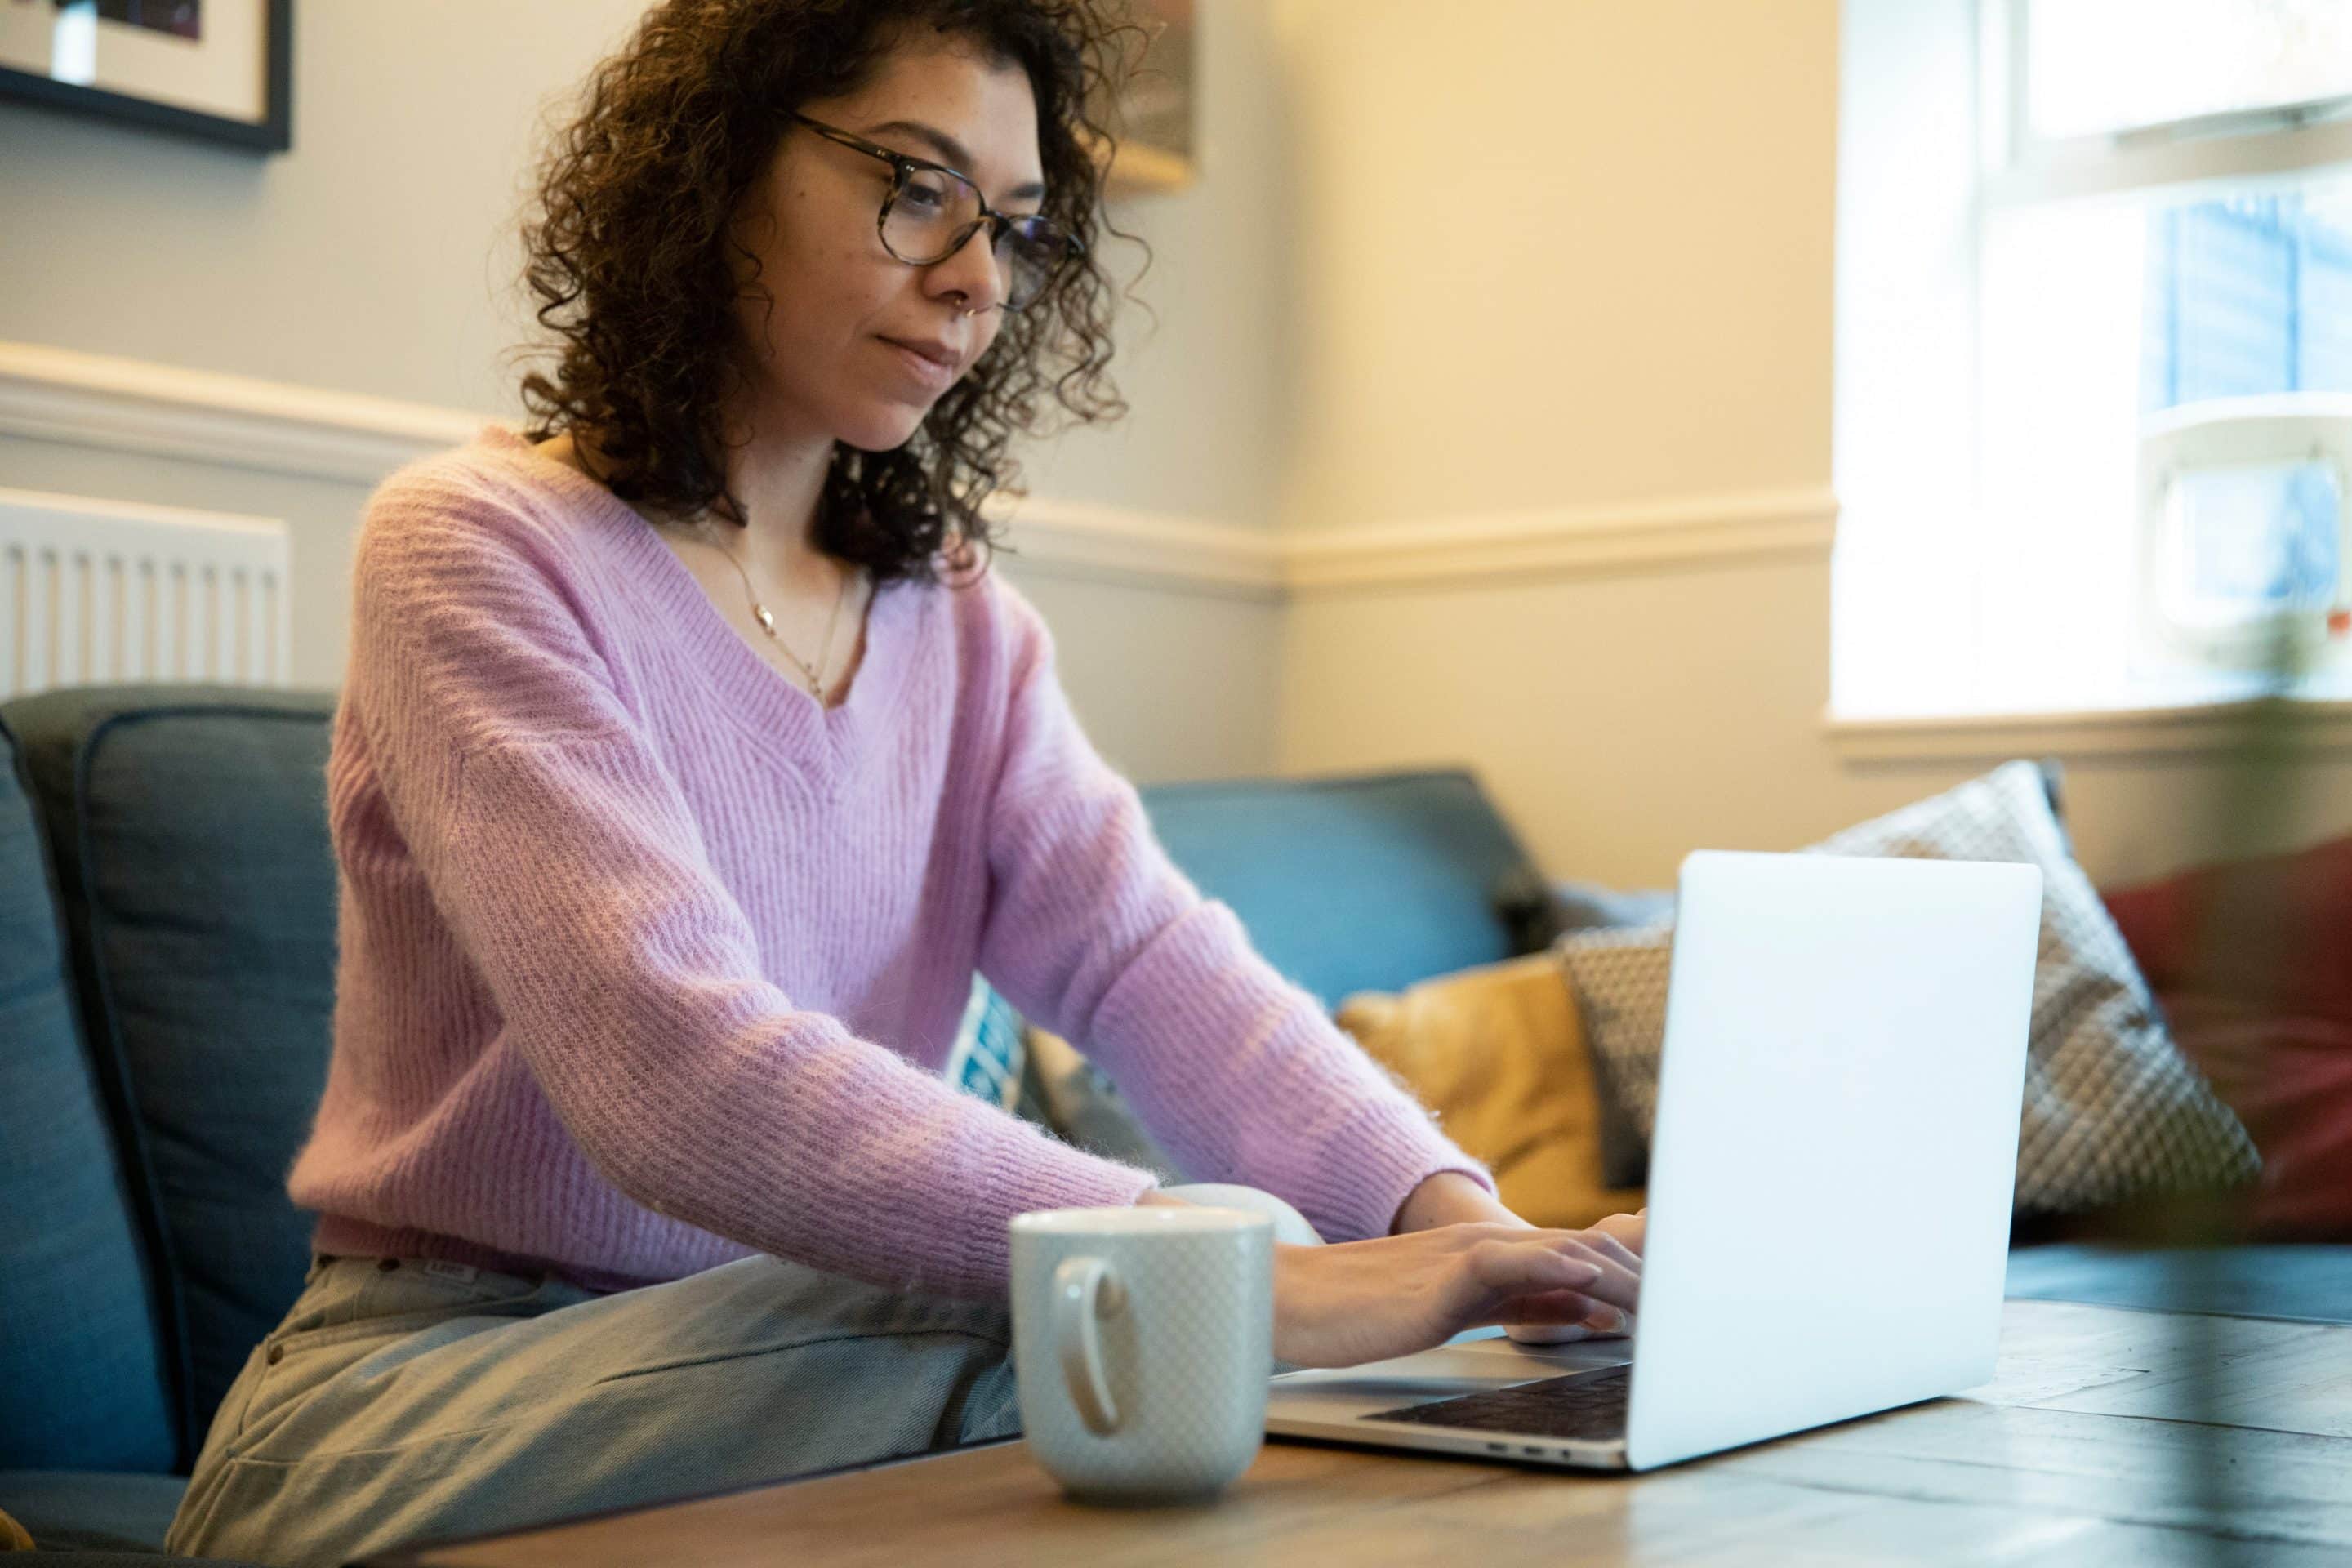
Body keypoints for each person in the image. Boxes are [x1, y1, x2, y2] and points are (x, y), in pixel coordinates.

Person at [164, 3, 1642, 1564]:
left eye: (1014, 226)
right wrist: (1232, 1270)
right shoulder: (477, 548)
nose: (977, 278)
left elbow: (1155, 963)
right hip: (418, 1397)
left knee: (1148, 1296)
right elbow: (675, 1075)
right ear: (719, 166)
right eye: (919, 186)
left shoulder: (958, 621)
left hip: (801, 1373)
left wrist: (1475, 1236)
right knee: (1080, 1294)